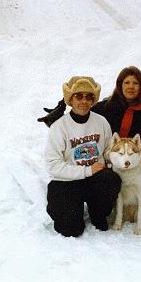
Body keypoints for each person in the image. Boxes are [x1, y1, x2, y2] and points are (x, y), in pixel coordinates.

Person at [39, 66, 141, 195]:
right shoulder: (106, 107)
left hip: (139, 159)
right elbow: (81, 110)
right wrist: (60, 113)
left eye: (136, 83)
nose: (131, 86)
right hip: (113, 161)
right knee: (109, 180)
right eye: (127, 82)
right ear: (120, 85)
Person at [45, 76, 121, 237]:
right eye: (78, 96)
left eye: (89, 96)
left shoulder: (101, 122)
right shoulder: (59, 127)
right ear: (70, 99)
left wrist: (119, 157)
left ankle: (97, 211)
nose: (84, 101)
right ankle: (69, 208)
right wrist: (86, 170)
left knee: (111, 179)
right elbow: (53, 165)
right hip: (67, 182)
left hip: (95, 179)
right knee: (70, 230)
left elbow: (108, 151)